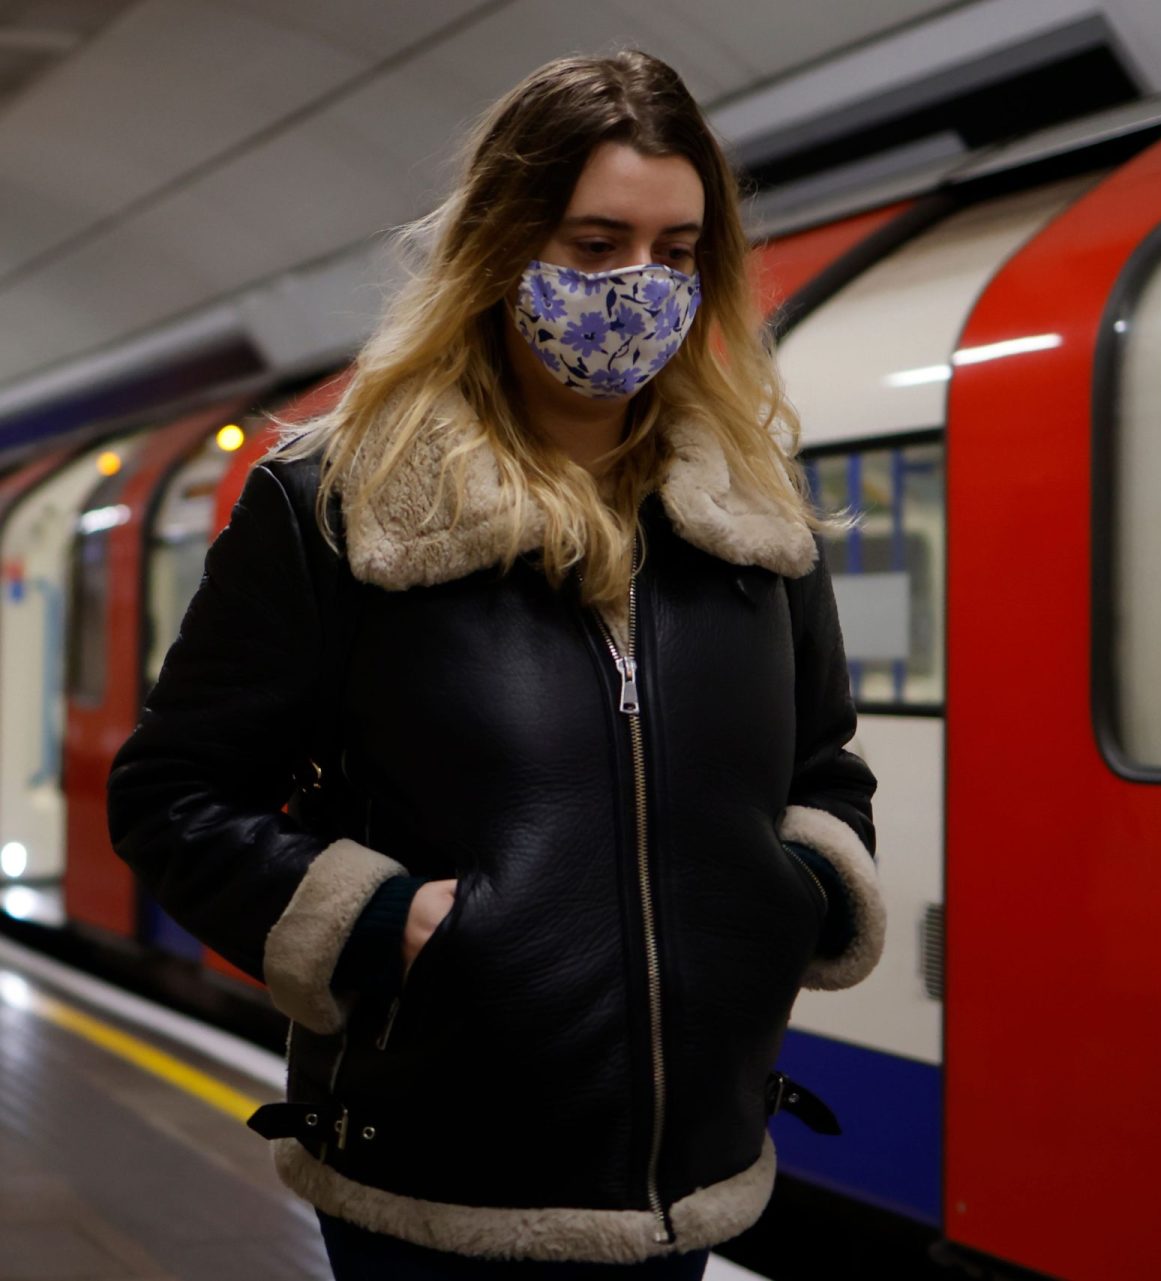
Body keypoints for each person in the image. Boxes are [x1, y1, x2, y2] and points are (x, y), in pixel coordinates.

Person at [105, 48, 884, 1278]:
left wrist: (798, 895)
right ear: (503, 247)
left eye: (677, 251)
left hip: (695, 1178)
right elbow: (174, 795)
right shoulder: (337, 502)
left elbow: (823, 767)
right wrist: (383, 924)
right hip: (433, 1188)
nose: (640, 285)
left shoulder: (752, 512)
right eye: (594, 244)